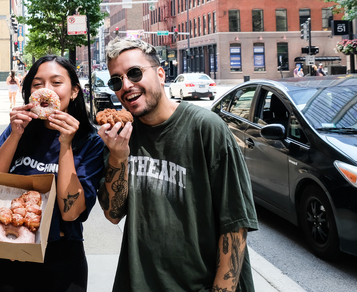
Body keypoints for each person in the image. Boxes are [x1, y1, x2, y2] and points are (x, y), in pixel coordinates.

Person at [97, 38, 258, 292]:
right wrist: (118, 156)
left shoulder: (206, 128)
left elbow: (235, 224)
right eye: (116, 80)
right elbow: (113, 214)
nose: (126, 85)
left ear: (160, 74)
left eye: (135, 73)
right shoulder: (120, 136)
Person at [0, 55, 105, 292]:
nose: (46, 90)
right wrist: (16, 134)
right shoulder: (19, 128)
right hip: (10, 250)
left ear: (75, 91)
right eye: (38, 84)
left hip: (62, 256)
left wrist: (66, 145)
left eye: (56, 83)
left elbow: (71, 213)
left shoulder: (90, 142)